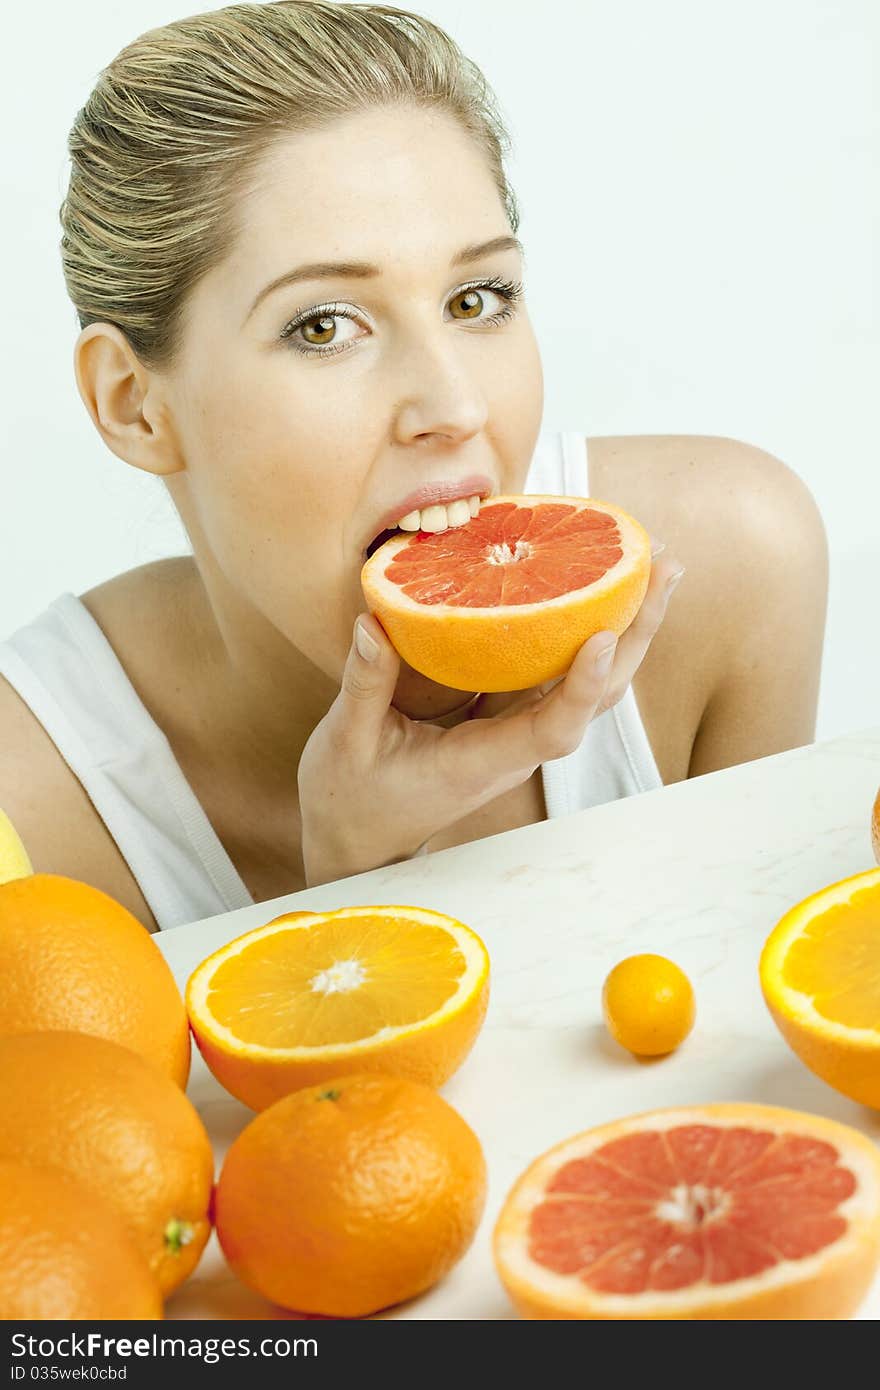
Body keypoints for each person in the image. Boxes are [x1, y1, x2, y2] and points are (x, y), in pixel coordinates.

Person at [0, 1, 828, 934]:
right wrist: (357, 888)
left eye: (478, 299)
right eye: (324, 326)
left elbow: (776, 1060)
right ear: (133, 405)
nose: (457, 408)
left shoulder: (732, 571)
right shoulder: (31, 810)